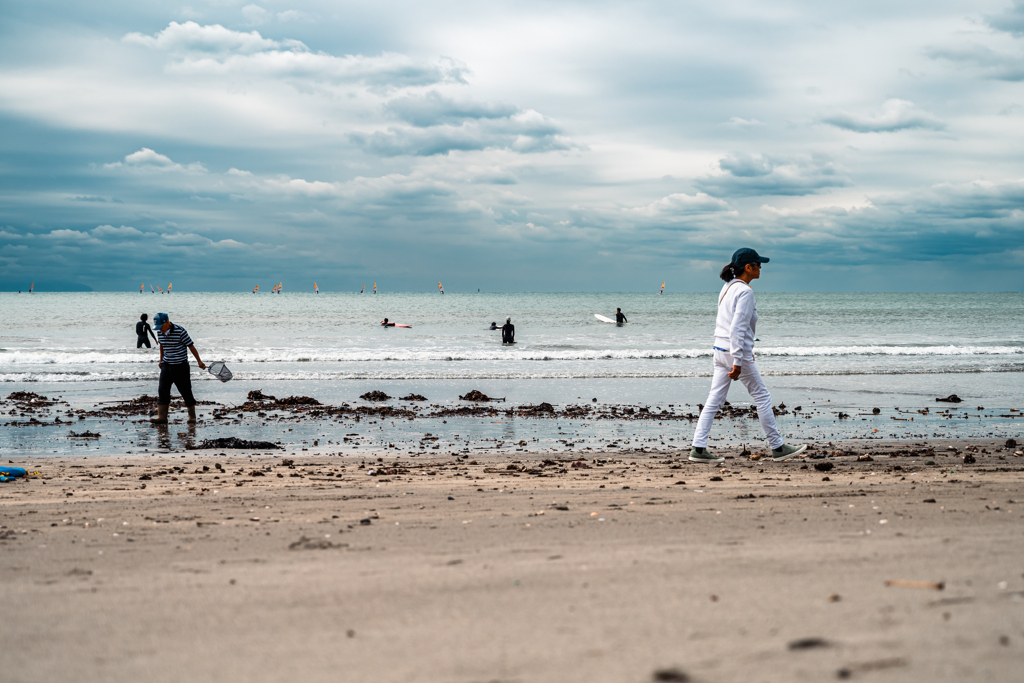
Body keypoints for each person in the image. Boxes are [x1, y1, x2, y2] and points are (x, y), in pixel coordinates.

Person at [689, 248, 807, 463]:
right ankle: (778, 447)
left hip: (719, 350)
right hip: (734, 353)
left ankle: (698, 448)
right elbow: (737, 328)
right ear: (748, 267)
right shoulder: (745, 292)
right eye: (758, 264)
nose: (761, 267)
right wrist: (738, 360)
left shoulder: (727, 287)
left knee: (714, 399)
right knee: (762, 396)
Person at [150, 313, 206, 424]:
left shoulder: (180, 331)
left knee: (186, 391)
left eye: (161, 326)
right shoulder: (159, 332)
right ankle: (162, 417)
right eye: (158, 327)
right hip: (166, 365)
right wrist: (161, 360)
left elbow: (191, 346)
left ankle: (192, 417)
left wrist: (199, 361)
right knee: (162, 390)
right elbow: (162, 345)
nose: (160, 329)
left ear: (167, 322)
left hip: (181, 366)